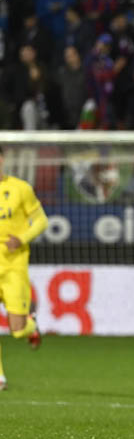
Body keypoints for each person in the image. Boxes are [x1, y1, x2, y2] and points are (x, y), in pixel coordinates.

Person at [0, 147, 48, 391]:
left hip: (13, 266)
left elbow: (41, 220)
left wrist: (21, 238)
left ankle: (31, 326)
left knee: (17, 330)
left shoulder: (20, 188)